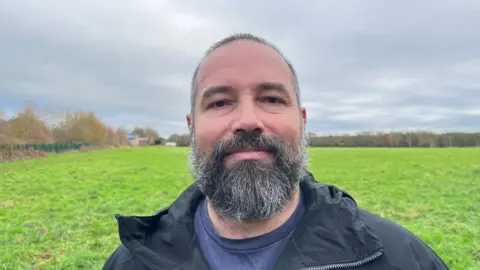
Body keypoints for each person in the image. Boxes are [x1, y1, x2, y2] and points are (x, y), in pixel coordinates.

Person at [102, 33, 449, 270]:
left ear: (301, 121)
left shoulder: (399, 259)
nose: (249, 121)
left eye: (271, 99)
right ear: (192, 127)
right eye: (221, 102)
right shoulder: (131, 263)